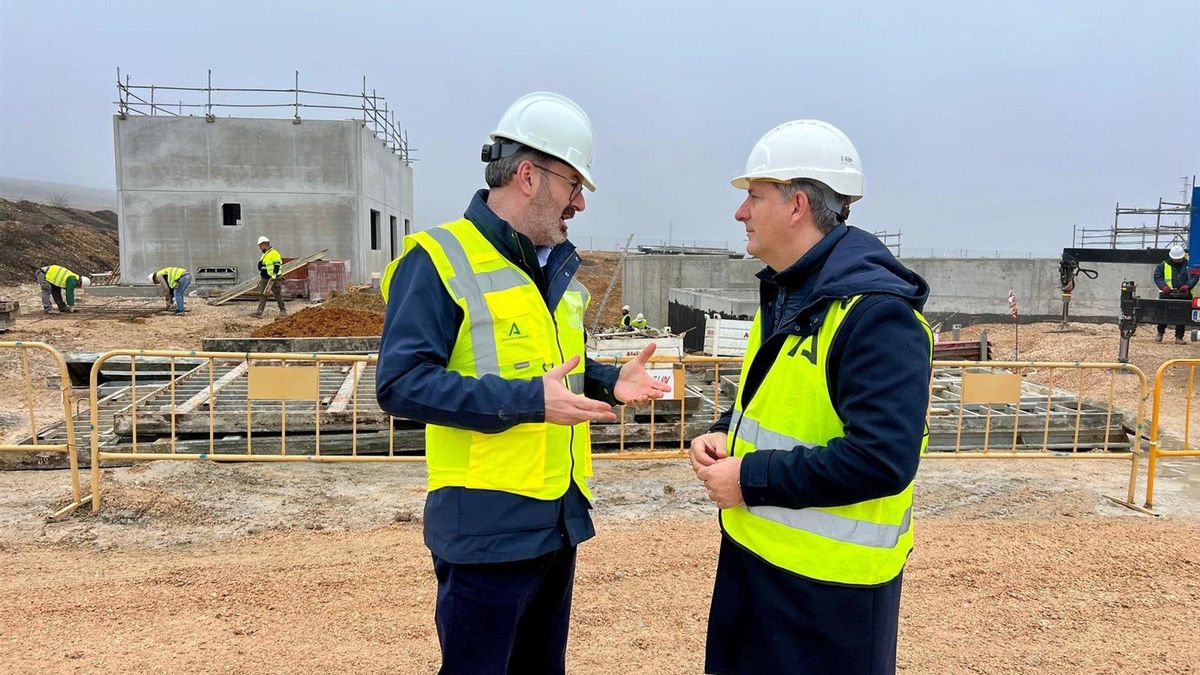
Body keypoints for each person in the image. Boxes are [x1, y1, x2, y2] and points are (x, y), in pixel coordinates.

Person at [375, 91, 670, 675]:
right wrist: (529, 400)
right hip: (484, 529)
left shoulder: (551, 267)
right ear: (529, 176)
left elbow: (544, 365)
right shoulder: (439, 259)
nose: (579, 202)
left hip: (554, 523)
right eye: (573, 184)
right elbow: (401, 384)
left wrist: (609, 380)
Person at [688, 120, 933, 674]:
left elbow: (881, 459)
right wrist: (725, 432)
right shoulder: (788, 293)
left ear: (796, 205)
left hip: (830, 599)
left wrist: (749, 478)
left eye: (754, 196)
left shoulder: (877, 315)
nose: (740, 212)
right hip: (755, 564)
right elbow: (777, 400)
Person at [1152, 244, 1195, 344]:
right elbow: (1158, 277)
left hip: (1184, 295)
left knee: (1181, 316)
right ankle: (1160, 333)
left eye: (1179, 259)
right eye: (1176, 259)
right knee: (1163, 315)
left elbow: (1194, 277)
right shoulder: (1163, 265)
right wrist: (1163, 286)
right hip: (1167, 294)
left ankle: (1179, 337)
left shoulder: (1190, 265)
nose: (1177, 260)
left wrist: (1187, 286)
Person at [251, 235, 286, 318]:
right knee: (262, 294)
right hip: (264, 278)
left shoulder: (274, 253)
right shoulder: (265, 254)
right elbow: (262, 264)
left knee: (277, 294)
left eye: (260, 246)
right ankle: (259, 312)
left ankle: (283, 311)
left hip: (273, 278)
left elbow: (277, 265)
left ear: (265, 244)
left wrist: (274, 275)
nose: (260, 248)